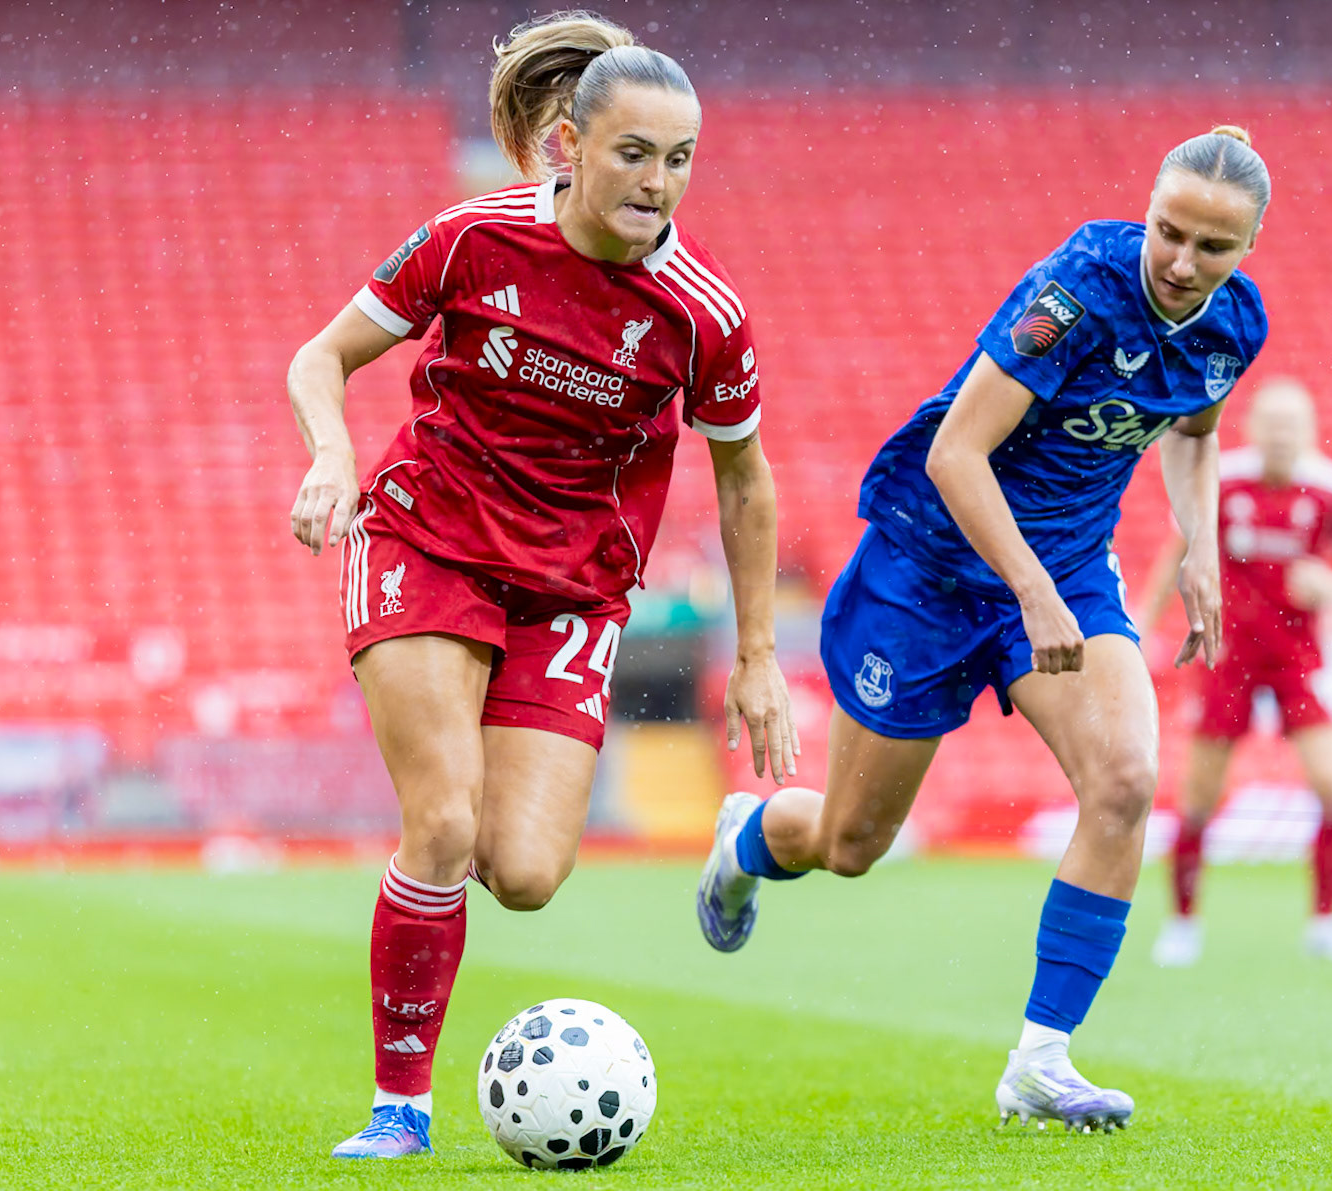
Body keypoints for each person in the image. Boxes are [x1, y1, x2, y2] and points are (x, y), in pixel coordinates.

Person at [285, 11, 799, 1159]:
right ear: (571, 145)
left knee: (522, 873)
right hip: (427, 541)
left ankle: (442, 883)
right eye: (635, 153)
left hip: (570, 590)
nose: (658, 182)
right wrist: (330, 456)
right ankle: (401, 1107)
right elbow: (321, 357)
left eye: (679, 159)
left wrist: (759, 656)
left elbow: (746, 482)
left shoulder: (704, 315)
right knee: (443, 818)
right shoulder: (473, 238)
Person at [697, 126, 1271, 1131]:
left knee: (1126, 781)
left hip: (1069, 567)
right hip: (928, 564)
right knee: (850, 842)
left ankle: (1041, 1062)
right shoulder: (1076, 294)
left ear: (1249, 248)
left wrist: (1201, 546)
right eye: (1169, 233)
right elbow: (956, 453)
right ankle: (749, 837)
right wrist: (1031, 591)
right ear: (1147, 213)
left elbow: (1195, 432)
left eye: (1212, 247)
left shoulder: (1235, 324)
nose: (1183, 262)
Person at [1141, 378, 1332, 967]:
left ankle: (1326, 922)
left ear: (1310, 430)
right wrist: (1143, 623)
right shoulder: (1222, 478)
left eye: (1292, 425)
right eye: (1272, 424)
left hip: (1300, 656)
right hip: (1229, 652)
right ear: (1251, 427)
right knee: (1200, 795)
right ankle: (1182, 923)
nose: (1281, 435)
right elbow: (1176, 550)